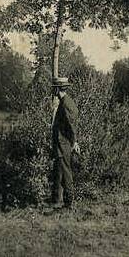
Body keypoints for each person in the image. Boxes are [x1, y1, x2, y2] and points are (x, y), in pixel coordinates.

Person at [51, 77, 79, 209]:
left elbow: (71, 124)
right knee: (60, 172)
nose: (53, 90)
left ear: (57, 89)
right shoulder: (65, 102)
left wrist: (74, 142)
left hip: (63, 145)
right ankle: (58, 200)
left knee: (66, 172)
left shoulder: (66, 103)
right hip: (61, 144)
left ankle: (69, 203)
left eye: (54, 88)